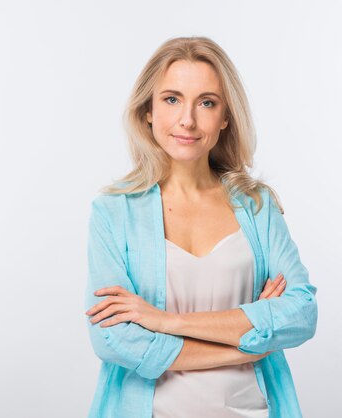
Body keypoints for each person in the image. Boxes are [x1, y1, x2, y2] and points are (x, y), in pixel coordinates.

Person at [83, 36, 318, 418]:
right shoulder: (113, 212)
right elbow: (113, 338)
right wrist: (246, 343)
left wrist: (165, 321)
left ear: (225, 116)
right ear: (148, 110)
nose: (187, 120)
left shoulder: (258, 206)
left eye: (206, 102)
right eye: (172, 99)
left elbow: (301, 314)